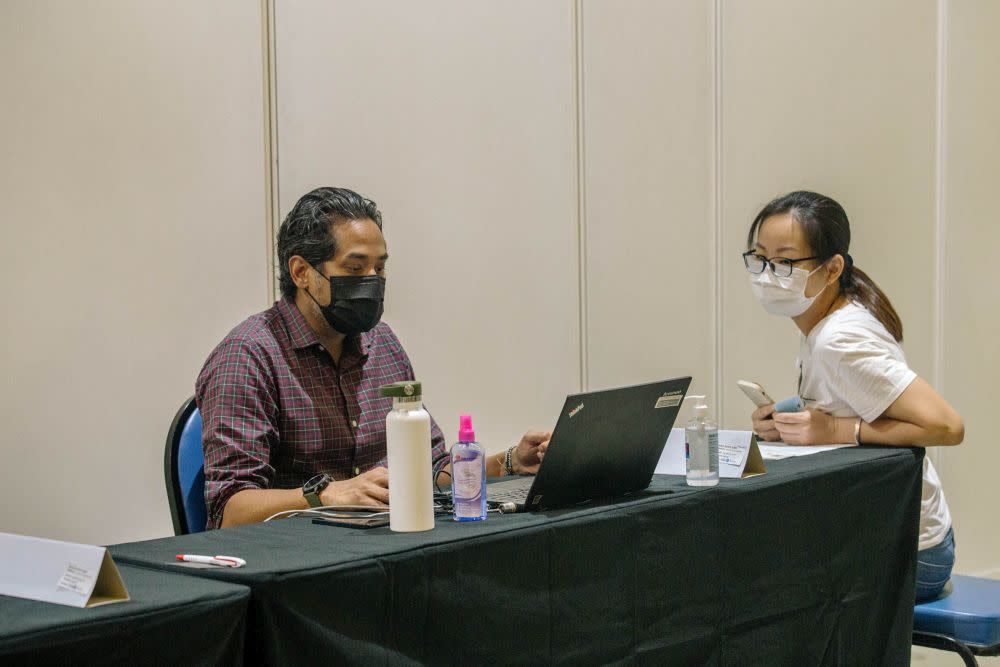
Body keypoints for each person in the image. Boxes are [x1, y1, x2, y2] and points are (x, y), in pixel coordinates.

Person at [196, 186, 550, 529]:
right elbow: (230, 510)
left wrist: (508, 462)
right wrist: (326, 495)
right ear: (302, 272)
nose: (372, 281)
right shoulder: (247, 357)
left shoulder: (381, 342)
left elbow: (429, 469)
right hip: (300, 561)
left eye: (379, 268)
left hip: (387, 545)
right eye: (355, 268)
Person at [743, 190, 964, 602]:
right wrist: (789, 422)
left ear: (832, 269)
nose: (768, 274)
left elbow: (947, 426)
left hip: (914, 553)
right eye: (760, 258)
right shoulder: (821, 324)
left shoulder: (839, 339)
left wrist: (836, 429)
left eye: (786, 262)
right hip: (886, 533)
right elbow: (847, 401)